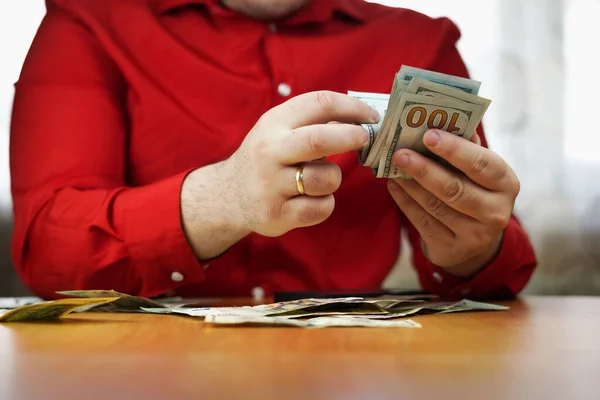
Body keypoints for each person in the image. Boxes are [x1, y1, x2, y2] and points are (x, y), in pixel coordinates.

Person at [9, 0, 537, 301]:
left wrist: (475, 251)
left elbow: (491, 267)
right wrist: (224, 198)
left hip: (355, 373)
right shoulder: (89, 20)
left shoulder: (423, 42)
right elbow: (49, 255)